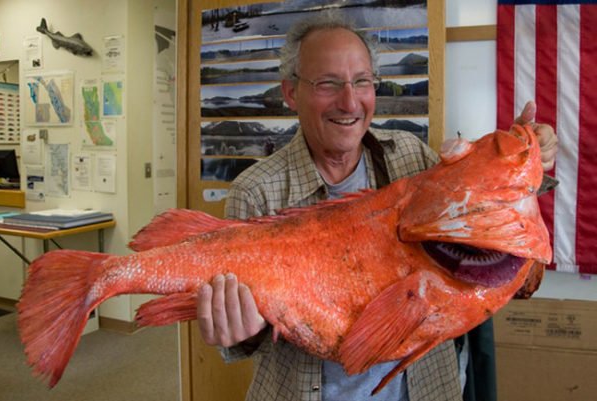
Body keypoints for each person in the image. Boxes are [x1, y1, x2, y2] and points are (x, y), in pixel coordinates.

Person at [196, 12, 558, 401]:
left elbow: (480, 217)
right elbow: (242, 339)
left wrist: (528, 165)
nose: (349, 101)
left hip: (425, 390)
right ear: (291, 92)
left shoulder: (411, 156)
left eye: (362, 81)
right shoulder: (255, 190)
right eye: (327, 83)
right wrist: (240, 330)